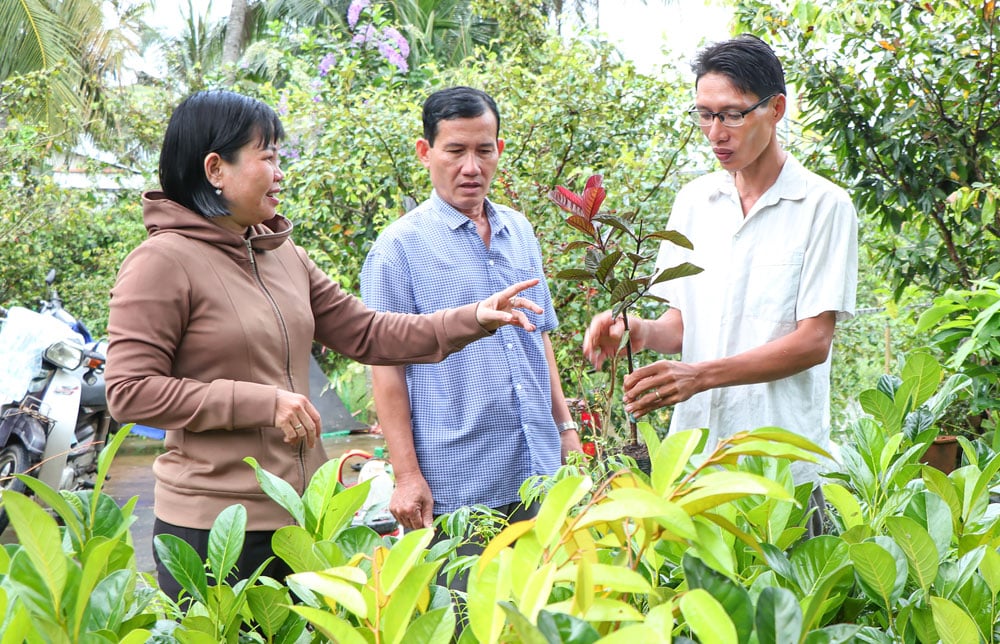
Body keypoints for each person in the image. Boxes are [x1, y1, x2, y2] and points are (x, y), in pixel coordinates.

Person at [105, 90, 543, 600]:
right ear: (215, 169)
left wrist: (474, 318)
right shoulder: (160, 262)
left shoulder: (279, 252)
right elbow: (130, 391)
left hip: (301, 520)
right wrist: (261, 403)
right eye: (267, 157)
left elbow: (369, 333)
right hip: (214, 530)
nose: (279, 172)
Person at [584, 35, 858, 525]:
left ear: (776, 109)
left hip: (782, 468)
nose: (715, 132)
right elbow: (681, 325)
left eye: (731, 114)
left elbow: (813, 342)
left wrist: (700, 375)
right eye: (704, 115)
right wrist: (636, 329)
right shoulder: (695, 201)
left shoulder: (823, 206)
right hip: (695, 463)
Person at [360, 87, 581, 573]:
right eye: (455, 151)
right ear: (426, 152)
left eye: (484, 150)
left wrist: (565, 430)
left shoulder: (519, 231)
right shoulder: (398, 249)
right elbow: (386, 369)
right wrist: (406, 476)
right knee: (467, 614)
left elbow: (538, 337)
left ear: (498, 149)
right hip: (459, 481)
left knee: (543, 609)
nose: (471, 167)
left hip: (538, 467)